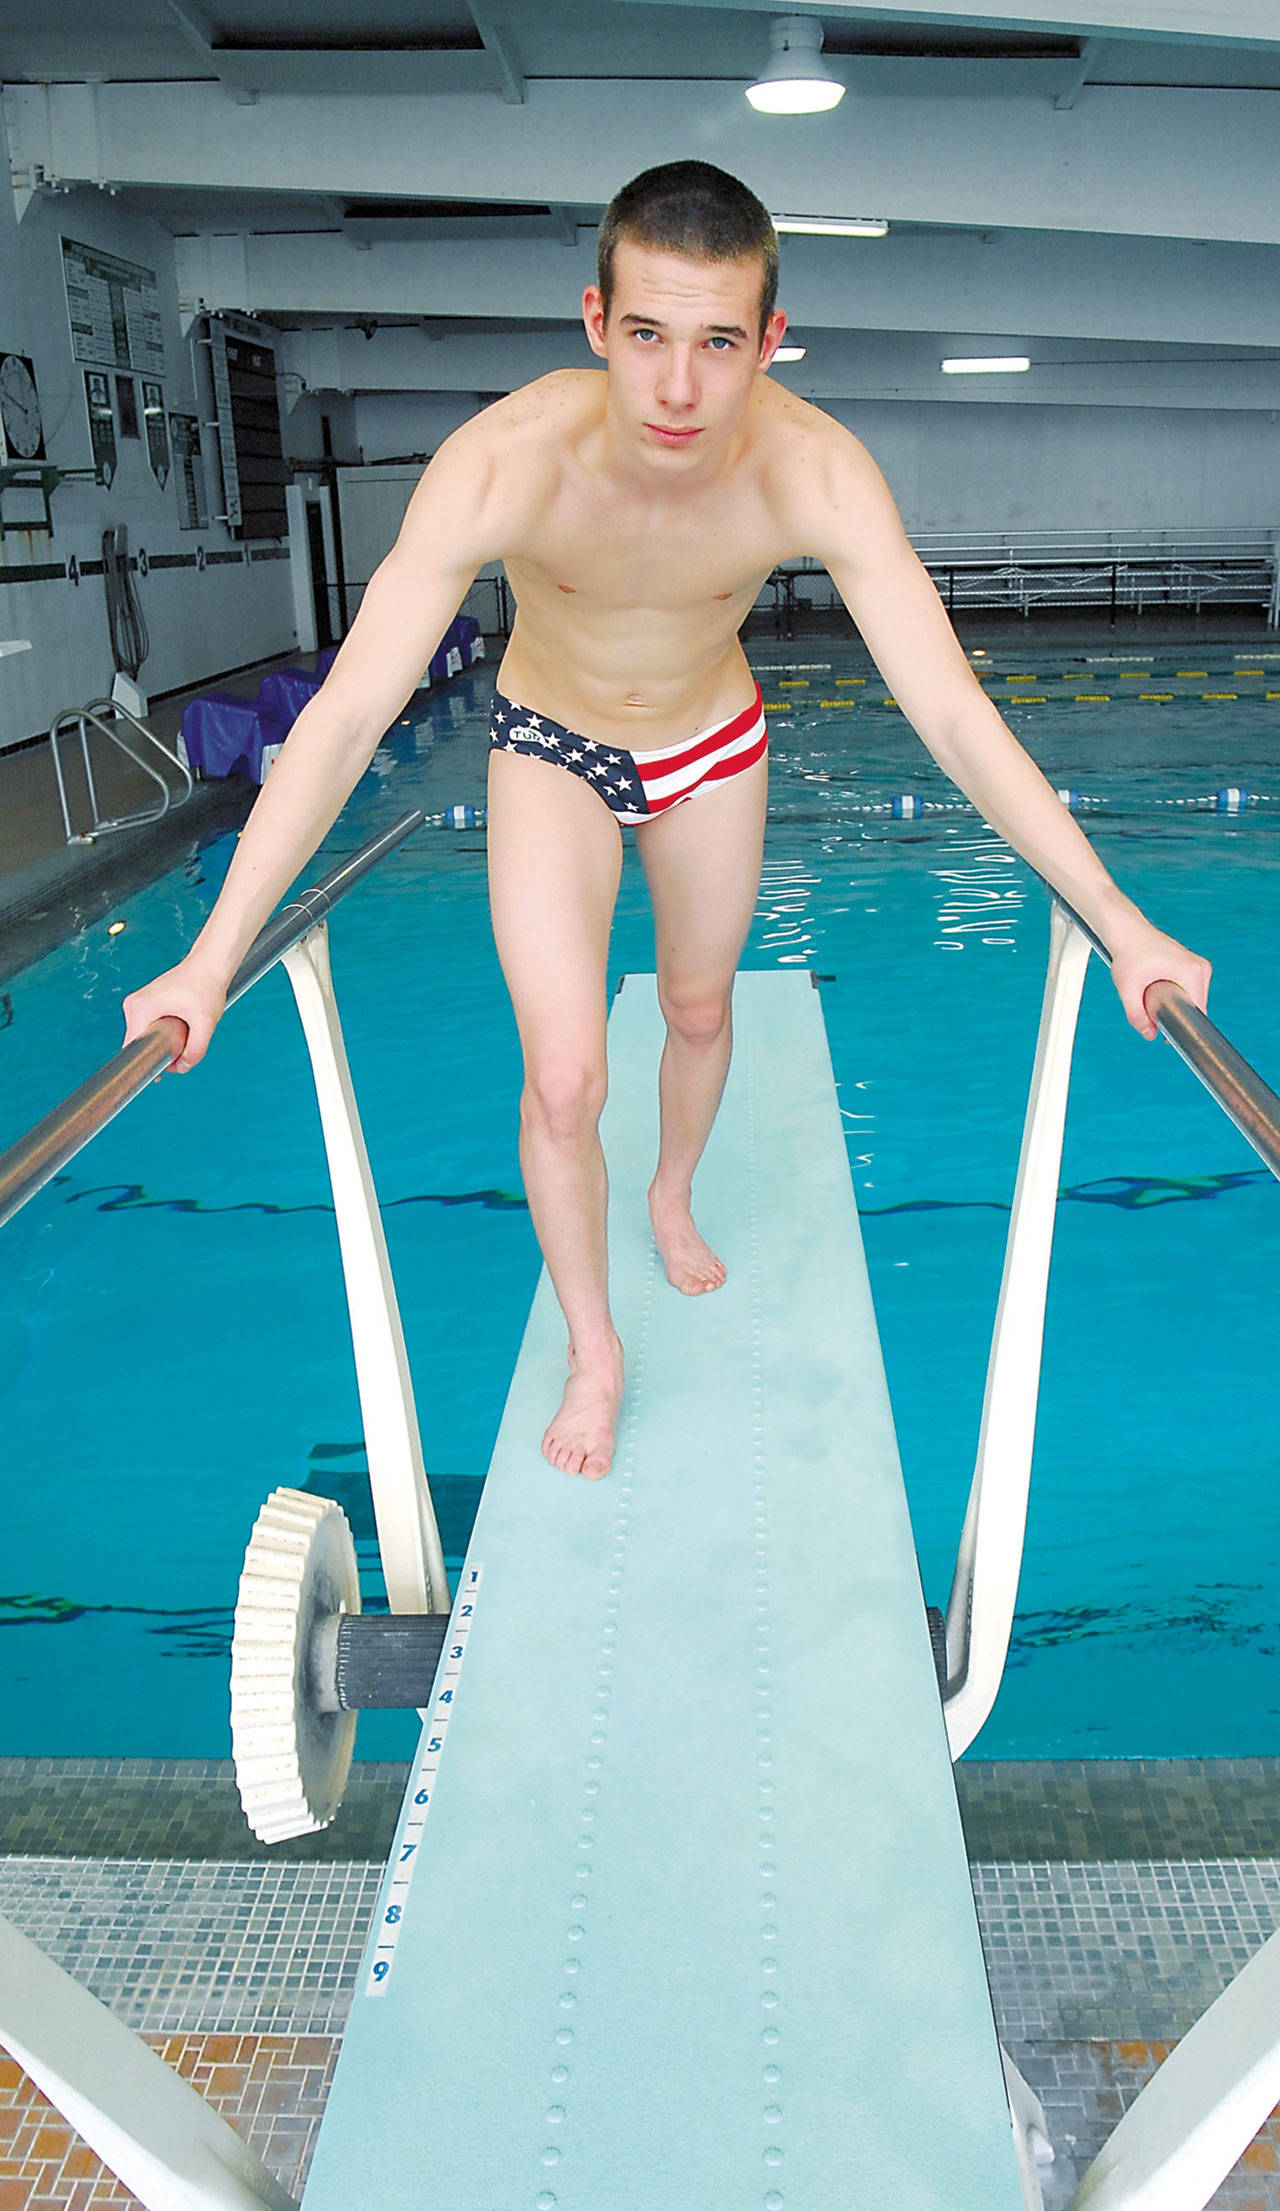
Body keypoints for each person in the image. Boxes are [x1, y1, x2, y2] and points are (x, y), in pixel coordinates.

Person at [123, 159, 1210, 1483]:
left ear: (771, 340)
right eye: (647, 337)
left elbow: (956, 718)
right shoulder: (505, 463)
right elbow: (348, 719)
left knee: (698, 1011)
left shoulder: (813, 471)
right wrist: (211, 952)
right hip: (548, 747)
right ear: (596, 324)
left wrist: (1123, 924)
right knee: (566, 1076)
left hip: (710, 745)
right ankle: (597, 1346)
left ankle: (670, 1192)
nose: (680, 390)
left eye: (717, 344)